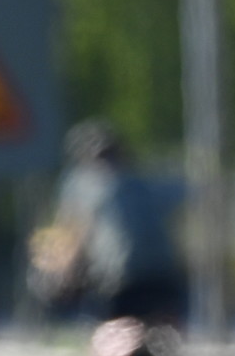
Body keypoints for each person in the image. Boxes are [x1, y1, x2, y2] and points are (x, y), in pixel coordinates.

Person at [31, 119, 188, 324]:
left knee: (117, 331)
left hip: (118, 277)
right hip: (165, 273)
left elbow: (74, 235)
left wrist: (62, 273)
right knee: (160, 330)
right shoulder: (142, 181)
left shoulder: (83, 183)